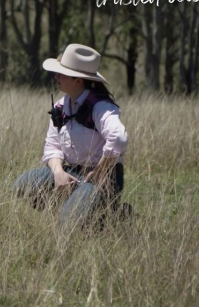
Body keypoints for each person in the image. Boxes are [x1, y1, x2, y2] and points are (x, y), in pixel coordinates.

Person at [14, 43, 129, 230]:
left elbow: (119, 138)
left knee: (68, 223)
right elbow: (52, 146)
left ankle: (111, 215)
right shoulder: (61, 106)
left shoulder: (101, 107)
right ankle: (77, 211)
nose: (56, 76)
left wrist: (100, 171)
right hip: (71, 172)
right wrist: (59, 173)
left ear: (78, 80)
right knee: (23, 186)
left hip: (102, 179)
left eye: (62, 73)